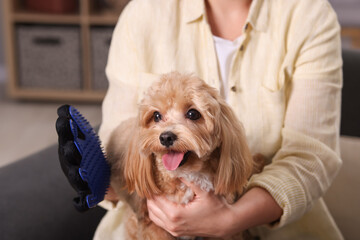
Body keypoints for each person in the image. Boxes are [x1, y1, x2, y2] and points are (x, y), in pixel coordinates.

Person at [94, 0, 344, 239]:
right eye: (158, 116)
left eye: (192, 114)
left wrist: (232, 219)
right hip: (146, 221)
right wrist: (97, 177)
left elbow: (312, 155)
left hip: (277, 227)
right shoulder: (141, 15)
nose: (168, 130)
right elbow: (118, 143)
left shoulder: (310, 15)